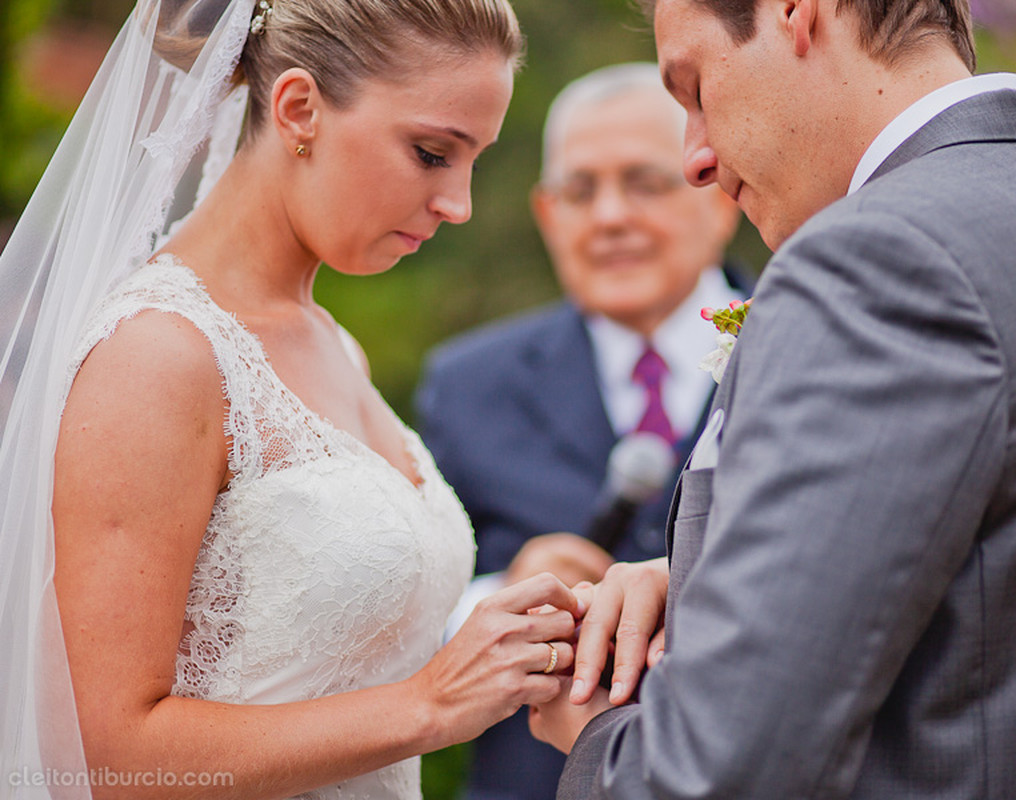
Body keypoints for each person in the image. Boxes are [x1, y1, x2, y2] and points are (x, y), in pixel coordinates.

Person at [530, 0, 1016, 797]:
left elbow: (717, 775)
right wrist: (710, 584)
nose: (695, 159)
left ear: (795, 13)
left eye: (696, 89)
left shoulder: (877, 263)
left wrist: (596, 726)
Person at [0, 0, 585, 798]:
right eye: (430, 153)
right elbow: (109, 754)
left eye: (473, 159)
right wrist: (430, 704)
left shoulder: (334, 344)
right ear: (299, 108)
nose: (460, 204)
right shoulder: (158, 355)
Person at [416, 62, 745, 800]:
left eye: (645, 183)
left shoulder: (807, 342)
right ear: (546, 213)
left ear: (719, 195)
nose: (609, 218)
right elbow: (405, 619)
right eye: (579, 190)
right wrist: (504, 596)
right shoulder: (469, 386)